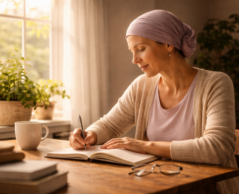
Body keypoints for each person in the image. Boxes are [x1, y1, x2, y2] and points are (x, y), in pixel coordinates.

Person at [69, 10, 239, 193]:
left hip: (204, 189)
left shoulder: (216, 83)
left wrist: (145, 146)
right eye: (132, 51)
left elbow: (217, 148)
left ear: (168, 44)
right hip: (155, 185)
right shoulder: (141, 86)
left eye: (141, 49)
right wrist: (90, 134)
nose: (134, 60)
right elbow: (111, 125)